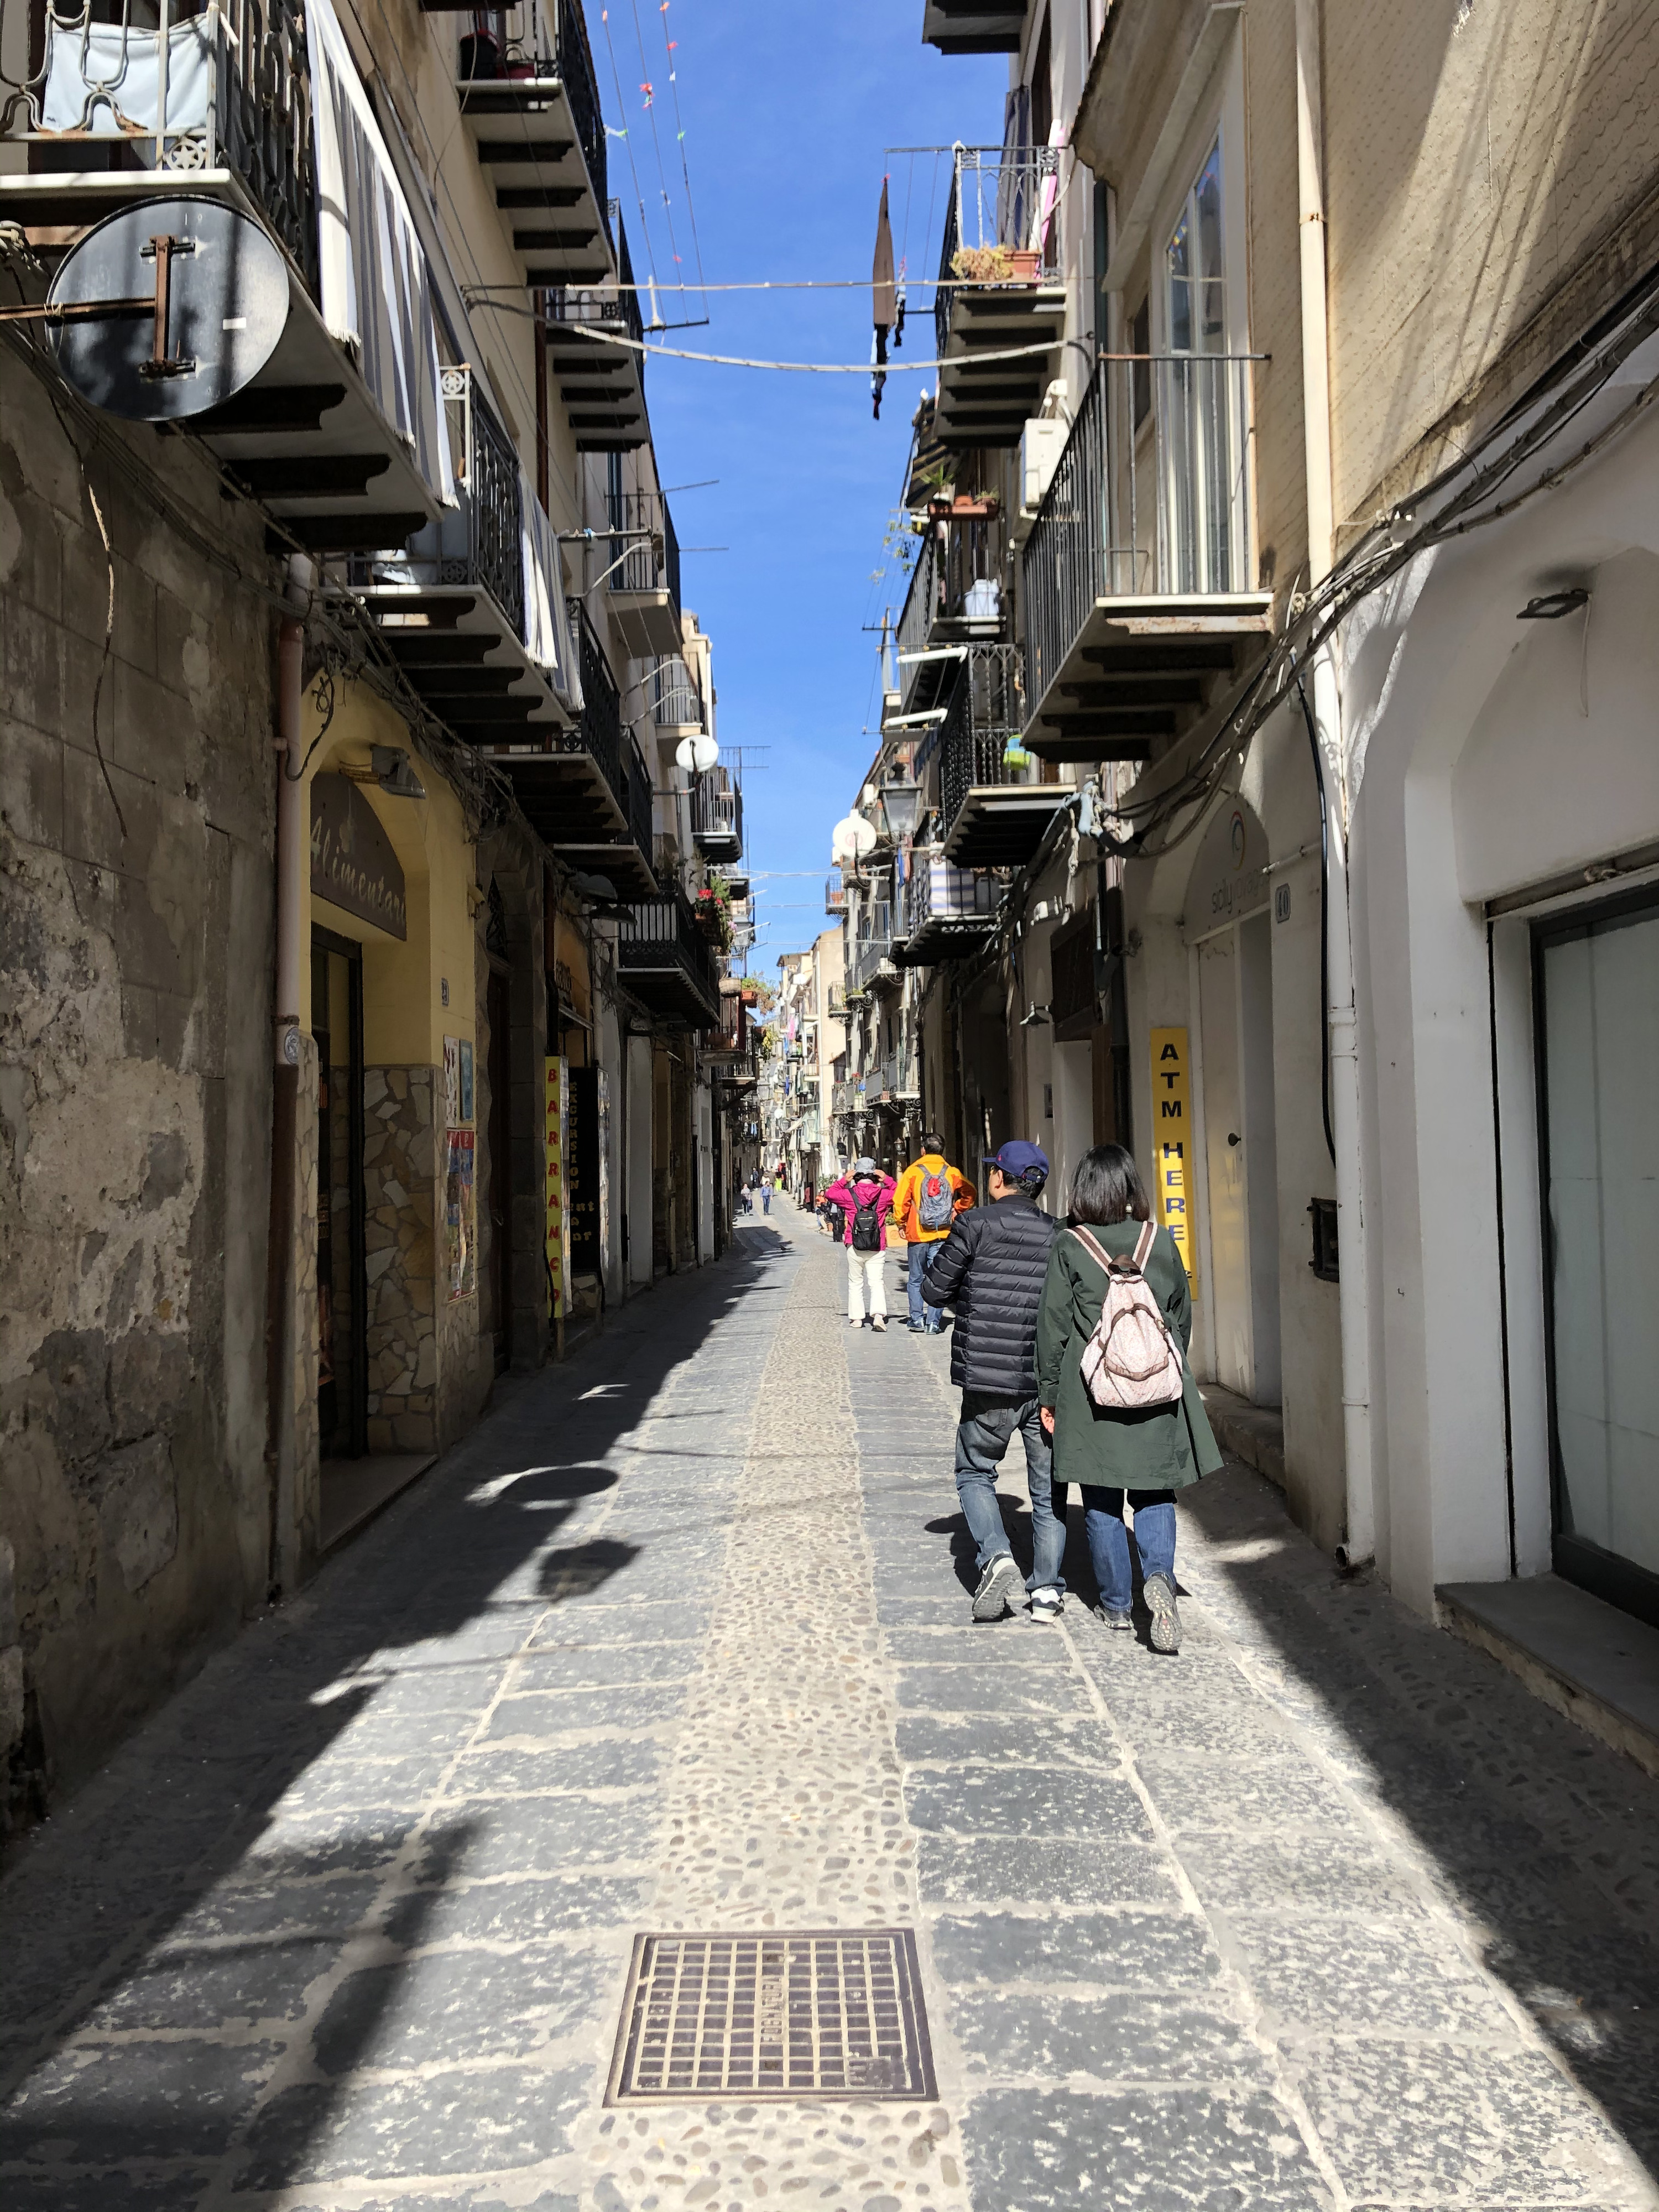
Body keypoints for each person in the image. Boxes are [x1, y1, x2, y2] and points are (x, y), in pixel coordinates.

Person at [1036, 1142, 1222, 1652]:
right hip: (1156, 1392)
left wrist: (1048, 1392)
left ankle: (1117, 1606)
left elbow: (1052, 1327)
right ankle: (1158, 1579)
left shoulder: (1071, 1245)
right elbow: (1180, 1314)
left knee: (1100, 1496)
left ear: (1084, 1191)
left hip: (1092, 1392)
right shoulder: (1159, 1241)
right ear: (1130, 1189)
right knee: (1155, 1492)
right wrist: (1162, 1365)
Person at [922, 1140, 1065, 1621]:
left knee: (974, 1471)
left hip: (986, 1377)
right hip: (1041, 1378)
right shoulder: (1057, 1233)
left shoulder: (975, 1224)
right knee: (1047, 1490)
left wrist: (973, 1299)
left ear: (1000, 1179)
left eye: (993, 1172)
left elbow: (934, 1287)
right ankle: (1046, 1592)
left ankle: (997, 1555)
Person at [891, 1130, 975, 1334]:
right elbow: (970, 1192)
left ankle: (917, 1319)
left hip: (918, 1234)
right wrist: (958, 1208)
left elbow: (900, 1202)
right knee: (938, 1278)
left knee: (916, 1278)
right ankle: (934, 1323)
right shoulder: (951, 1172)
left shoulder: (913, 1172)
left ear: (923, 1150)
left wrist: (901, 1224)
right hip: (943, 1232)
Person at [825, 1155, 896, 1329]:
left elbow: (830, 1194)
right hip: (877, 1245)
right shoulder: (884, 1194)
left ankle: (857, 1318)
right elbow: (902, 1193)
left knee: (855, 1281)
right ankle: (878, 1315)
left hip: (854, 1244)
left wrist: (844, 1180)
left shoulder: (848, 1195)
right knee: (876, 1281)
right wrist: (887, 1179)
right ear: (874, 1175)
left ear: (857, 1175)